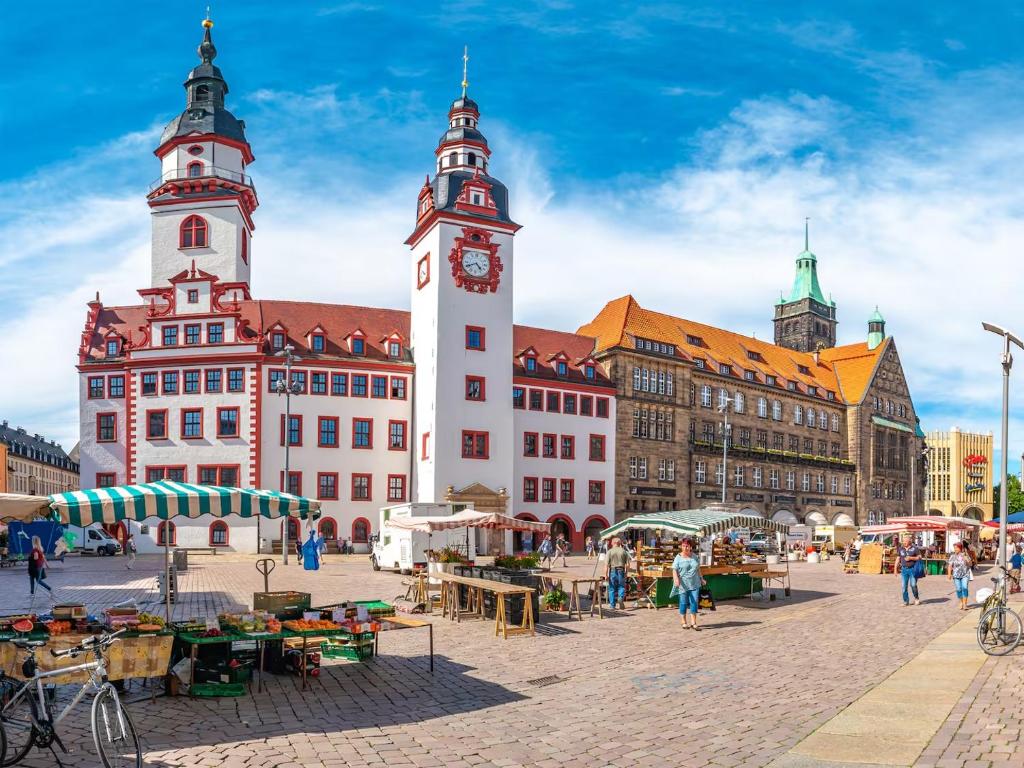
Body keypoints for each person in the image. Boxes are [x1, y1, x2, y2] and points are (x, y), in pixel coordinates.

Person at [672, 538, 706, 630]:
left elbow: (698, 568)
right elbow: (674, 569)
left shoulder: (694, 556)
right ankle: (683, 621)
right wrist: (676, 579)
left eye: (687, 546)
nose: (685, 548)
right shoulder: (678, 557)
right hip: (683, 584)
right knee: (683, 602)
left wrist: (702, 578)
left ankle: (693, 622)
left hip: (695, 583)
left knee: (694, 602)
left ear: (690, 547)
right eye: (683, 546)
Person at [605, 536, 631, 610]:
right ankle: (620, 597)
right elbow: (628, 564)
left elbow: (606, 565)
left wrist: (605, 574)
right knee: (621, 586)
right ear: (620, 543)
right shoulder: (624, 551)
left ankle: (612, 605)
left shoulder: (610, 551)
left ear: (613, 543)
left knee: (612, 588)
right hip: (621, 570)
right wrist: (626, 572)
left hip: (612, 570)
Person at [897, 534, 922, 606]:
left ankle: (916, 598)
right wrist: (895, 569)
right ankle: (906, 601)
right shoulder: (901, 549)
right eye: (903, 541)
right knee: (903, 586)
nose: (904, 542)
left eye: (905, 541)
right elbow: (898, 558)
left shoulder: (915, 548)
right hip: (904, 570)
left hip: (912, 569)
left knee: (913, 585)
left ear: (909, 541)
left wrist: (911, 558)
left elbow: (920, 557)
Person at [28, 536, 53, 602]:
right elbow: (43, 558)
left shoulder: (35, 550)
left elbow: (36, 558)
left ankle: (48, 588)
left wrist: (30, 557)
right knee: (33, 579)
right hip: (40, 566)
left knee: (35, 580)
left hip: (34, 567)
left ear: (33, 542)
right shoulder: (40, 549)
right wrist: (47, 565)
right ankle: (32, 592)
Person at [947, 542, 972, 610]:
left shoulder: (965, 555)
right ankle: (961, 602)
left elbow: (970, 564)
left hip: (965, 575)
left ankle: (965, 604)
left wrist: (966, 558)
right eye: (954, 548)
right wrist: (949, 574)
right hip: (956, 575)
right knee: (958, 589)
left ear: (960, 548)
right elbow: (949, 566)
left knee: (964, 588)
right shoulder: (952, 556)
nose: (955, 549)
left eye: (957, 548)